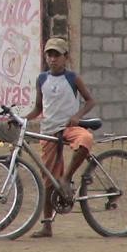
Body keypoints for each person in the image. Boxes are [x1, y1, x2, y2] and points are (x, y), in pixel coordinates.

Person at [25, 37, 95, 239]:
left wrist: (77, 116)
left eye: (57, 55)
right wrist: (23, 119)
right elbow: (38, 108)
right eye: (50, 54)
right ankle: (47, 225)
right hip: (49, 130)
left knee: (86, 140)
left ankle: (67, 178)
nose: (53, 59)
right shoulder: (42, 79)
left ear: (66, 57)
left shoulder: (73, 78)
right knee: (48, 178)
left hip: (69, 128)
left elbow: (90, 100)